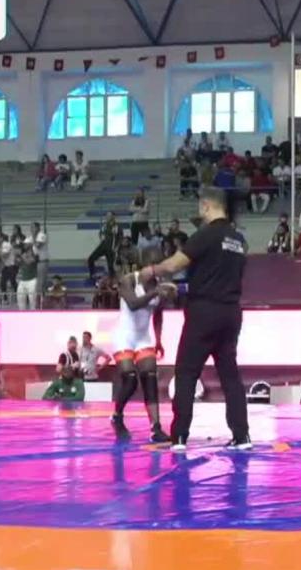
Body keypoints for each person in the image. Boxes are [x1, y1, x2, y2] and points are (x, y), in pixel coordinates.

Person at [138, 187, 250, 451]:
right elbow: (219, 275)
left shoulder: (205, 235)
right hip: (231, 312)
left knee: (186, 372)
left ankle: (179, 436)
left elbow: (173, 265)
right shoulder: (239, 241)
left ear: (206, 206)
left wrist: (150, 270)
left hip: (204, 312)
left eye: (201, 207)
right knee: (230, 375)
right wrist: (185, 288)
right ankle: (242, 436)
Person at [110, 251, 176, 443]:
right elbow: (133, 304)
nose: (155, 273)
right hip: (124, 337)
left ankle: (156, 428)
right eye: (153, 268)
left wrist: (158, 339)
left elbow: (158, 314)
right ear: (143, 267)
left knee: (150, 378)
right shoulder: (128, 280)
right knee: (130, 379)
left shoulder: (158, 285)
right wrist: (156, 292)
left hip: (143, 338)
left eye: (158, 269)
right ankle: (117, 416)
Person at [87, 213, 123, 281]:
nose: (107, 217)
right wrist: (101, 238)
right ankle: (92, 275)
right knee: (90, 259)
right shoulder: (104, 225)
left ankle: (113, 280)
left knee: (110, 267)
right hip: (103, 246)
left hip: (111, 248)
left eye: (109, 215)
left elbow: (120, 238)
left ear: (113, 217)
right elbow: (100, 233)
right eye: (107, 216)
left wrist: (117, 247)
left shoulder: (117, 226)